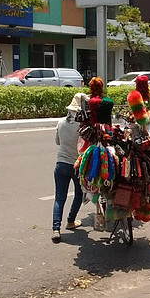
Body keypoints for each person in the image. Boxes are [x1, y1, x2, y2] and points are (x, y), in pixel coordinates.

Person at [51, 93, 86, 243]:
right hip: (77, 165)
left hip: (61, 164)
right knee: (79, 194)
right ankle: (71, 221)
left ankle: (56, 229)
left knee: (60, 197)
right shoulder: (83, 126)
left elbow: (57, 142)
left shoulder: (60, 122)